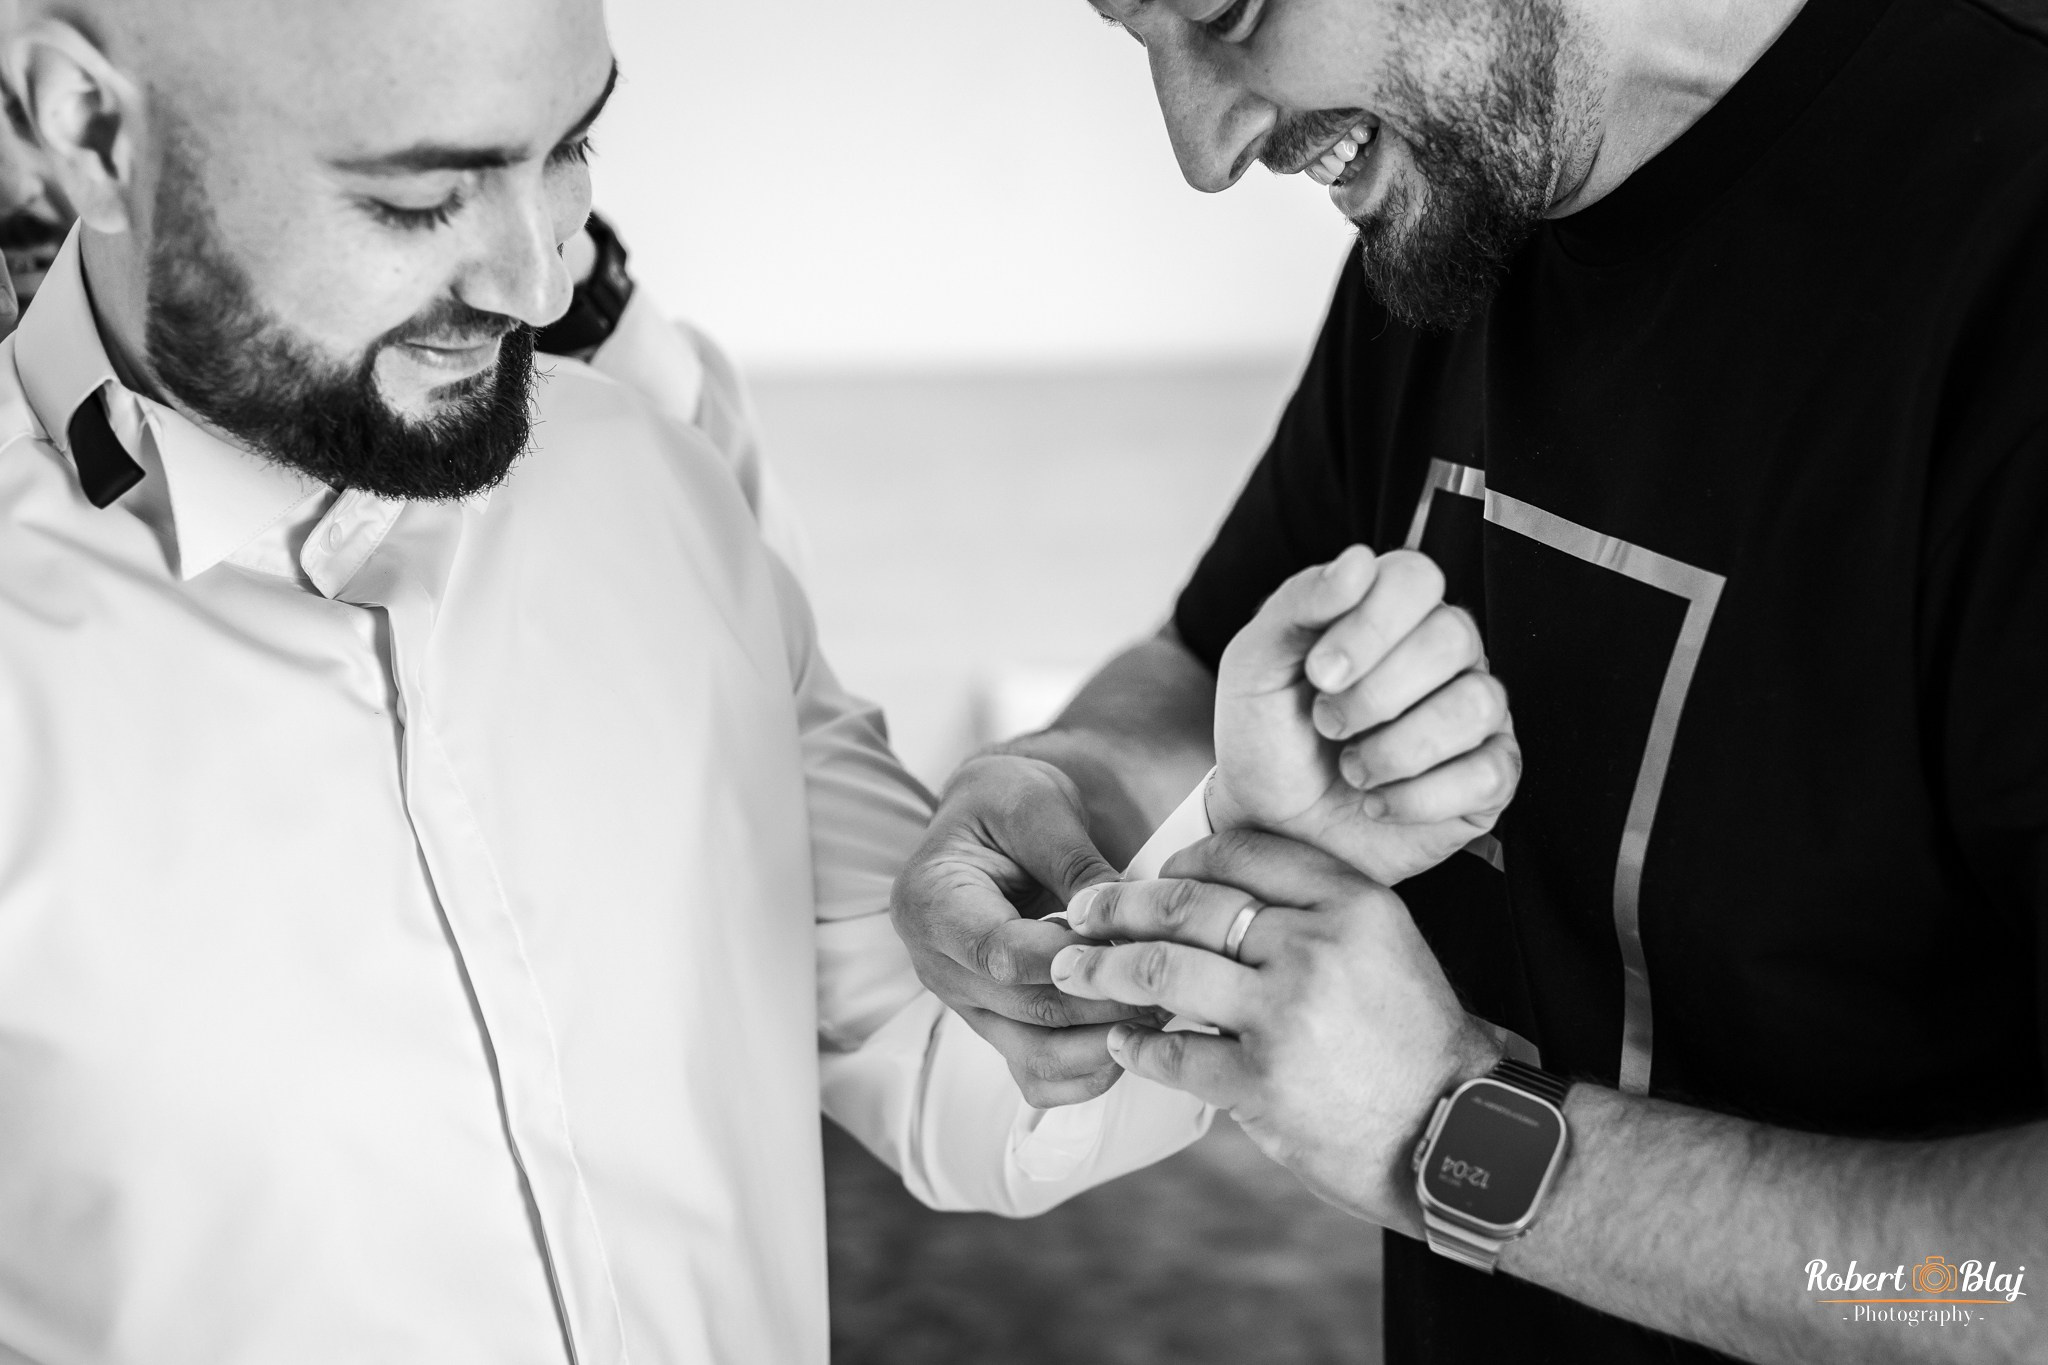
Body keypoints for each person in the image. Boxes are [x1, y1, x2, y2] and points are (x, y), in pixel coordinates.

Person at [0, 0, 1222, 1358]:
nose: (537, 281)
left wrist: (1242, 844)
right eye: (417, 198)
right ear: (86, 128)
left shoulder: (660, 479)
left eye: (570, 146)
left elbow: (961, 1059)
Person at [892, 0, 2048, 1361]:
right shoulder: (1464, 193)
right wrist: (1063, 790)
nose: (1201, 145)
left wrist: (1458, 1128)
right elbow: (1199, 665)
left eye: (1225, 11)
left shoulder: (2006, 253)